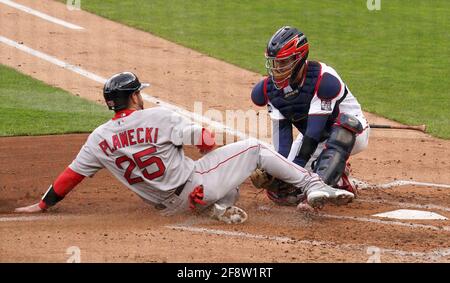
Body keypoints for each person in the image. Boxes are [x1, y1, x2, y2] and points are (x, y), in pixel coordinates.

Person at [15, 72, 354, 223]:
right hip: (195, 187)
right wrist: (205, 150)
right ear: (134, 97)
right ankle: (312, 184)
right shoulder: (159, 116)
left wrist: (43, 206)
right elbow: (206, 141)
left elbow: (70, 177)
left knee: (230, 188)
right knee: (252, 149)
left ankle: (216, 209)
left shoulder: (98, 139)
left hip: (167, 207)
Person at [251, 26, 370, 203]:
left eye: (283, 62)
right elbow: (282, 142)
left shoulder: (325, 80)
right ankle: (339, 177)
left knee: (342, 130)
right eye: (275, 63)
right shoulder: (271, 91)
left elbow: (313, 134)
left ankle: (327, 182)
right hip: (314, 138)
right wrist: (279, 172)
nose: (277, 69)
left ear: (298, 59)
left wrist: (297, 170)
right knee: (284, 195)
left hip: (352, 133)